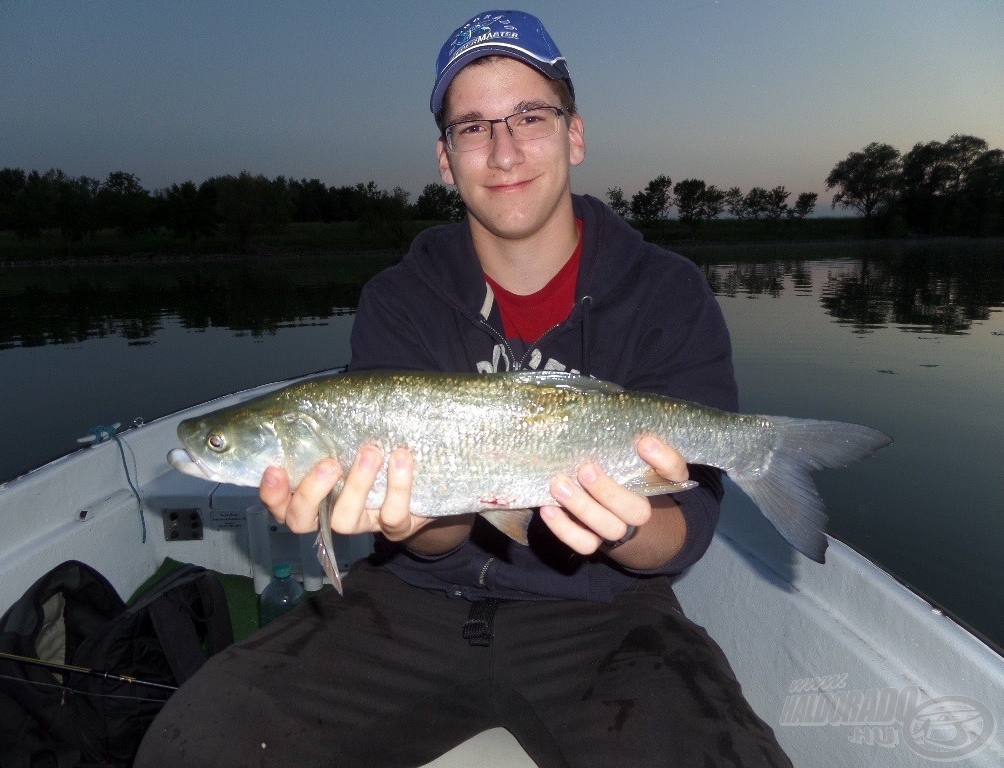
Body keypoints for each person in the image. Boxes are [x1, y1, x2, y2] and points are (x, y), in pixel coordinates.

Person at [136, 10, 792, 767]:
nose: (504, 149)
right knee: (190, 746)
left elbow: (688, 525)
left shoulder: (667, 292)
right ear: (446, 159)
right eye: (473, 127)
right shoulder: (399, 297)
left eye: (529, 117)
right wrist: (408, 521)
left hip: (605, 614)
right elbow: (434, 534)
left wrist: (624, 528)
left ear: (574, 134)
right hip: (404, 607)